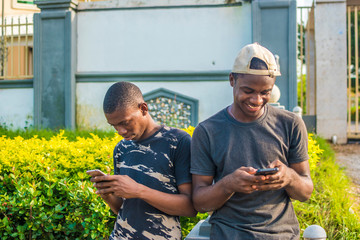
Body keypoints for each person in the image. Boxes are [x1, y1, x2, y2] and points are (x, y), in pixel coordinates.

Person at [190, 43, 313, 239]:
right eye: (248, 91)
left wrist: (288, 177)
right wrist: (228, 184)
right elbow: (200, 202)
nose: (257, 100)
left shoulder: (291, 124)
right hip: (228, 234)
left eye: (266, 92)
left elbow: (305, 192)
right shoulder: (207, 131)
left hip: (282, 234)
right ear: (232, 80)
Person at [91, 82, 196, 240]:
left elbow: (190, 208)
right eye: (114, 126)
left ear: (143, 109)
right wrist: (107, 195)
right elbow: (123, 208)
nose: (120, 131)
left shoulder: (178, 142)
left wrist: (138, 190)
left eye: (125, 122)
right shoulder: (121, 148)